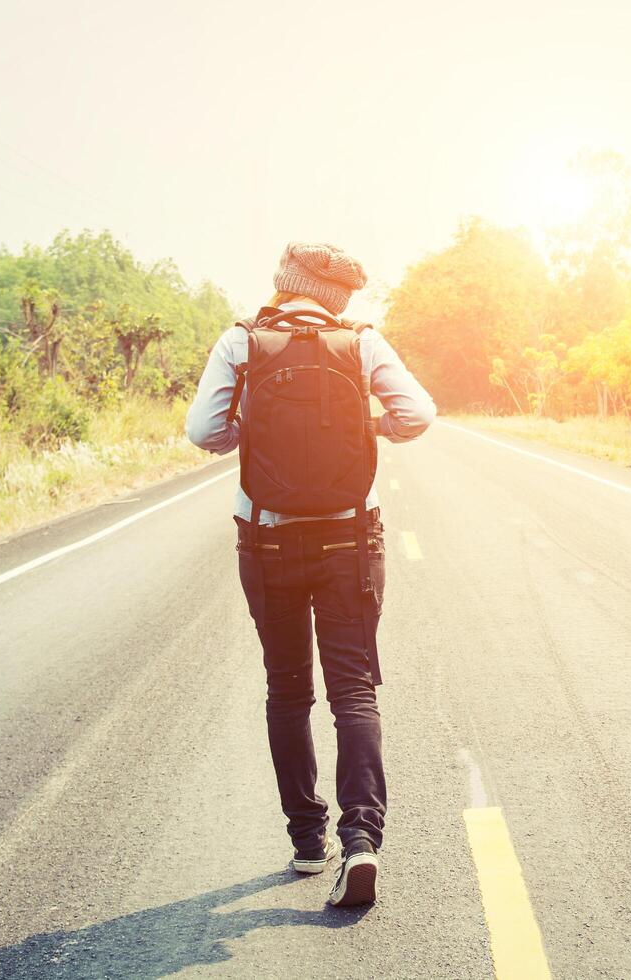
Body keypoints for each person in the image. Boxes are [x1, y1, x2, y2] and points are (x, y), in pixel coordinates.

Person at [185, 243, 436, 906]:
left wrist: (259, 429)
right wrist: (364, 423)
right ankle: (362, 842)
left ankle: (306, 840)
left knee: (287, 690)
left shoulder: (241, 341)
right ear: (336, 297)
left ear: (284, 284)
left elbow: (202, 430)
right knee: (354, 690)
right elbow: (419, 414)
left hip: (268, 541)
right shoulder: (361, 343)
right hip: (351, 535)